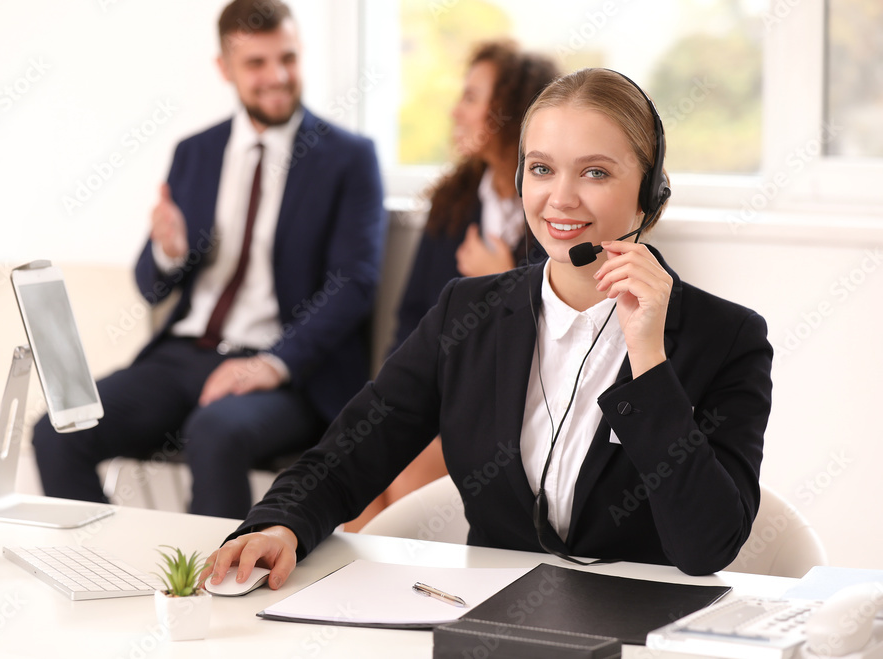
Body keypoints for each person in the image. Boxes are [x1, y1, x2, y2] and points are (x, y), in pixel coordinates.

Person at [202, 67, 773, 590]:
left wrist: (648, 356)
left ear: (650, 191)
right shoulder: (468, 313)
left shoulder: (727, 339)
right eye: (542, 169)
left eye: (595, 172)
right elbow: (353, 451)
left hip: (641, 633)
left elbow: (706, 547)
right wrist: (281, 526)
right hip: (489, 624)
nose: (561, 198)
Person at [32, 0, 385, 519]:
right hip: (184, 355)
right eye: (256, 63)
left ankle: (215, 591)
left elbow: (355, 284)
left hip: (285, 369)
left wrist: (273, 364)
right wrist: (169, 253)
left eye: (287, 58)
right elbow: (149, 286)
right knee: (58, 429)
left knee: (214, 431)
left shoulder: (348, 158)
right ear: (225, 68)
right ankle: (105, 567)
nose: (277, 76)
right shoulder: (196, 151)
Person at [344, 42, 560, 532]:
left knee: (399, 489)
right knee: (361, 485)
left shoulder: (560, 215)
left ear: (508, 112)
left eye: (471, 97)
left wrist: (499, 278)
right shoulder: (454, 201)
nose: (455, 111)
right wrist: (398, 410)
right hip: (436, 399)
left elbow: (554, 353)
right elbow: (411, 319)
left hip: (509, 412)